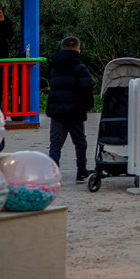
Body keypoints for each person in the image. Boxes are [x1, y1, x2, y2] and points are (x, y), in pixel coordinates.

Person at [46, 36, 95, 182]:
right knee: (80, 143)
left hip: (57, 110)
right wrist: (88, 106)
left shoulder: (55, 66)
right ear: (78, 50)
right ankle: (81, 172)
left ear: (62, 48)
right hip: (74, 111)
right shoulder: (80, 67)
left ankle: (53, 174)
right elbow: (86, 89)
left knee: (55, 144)